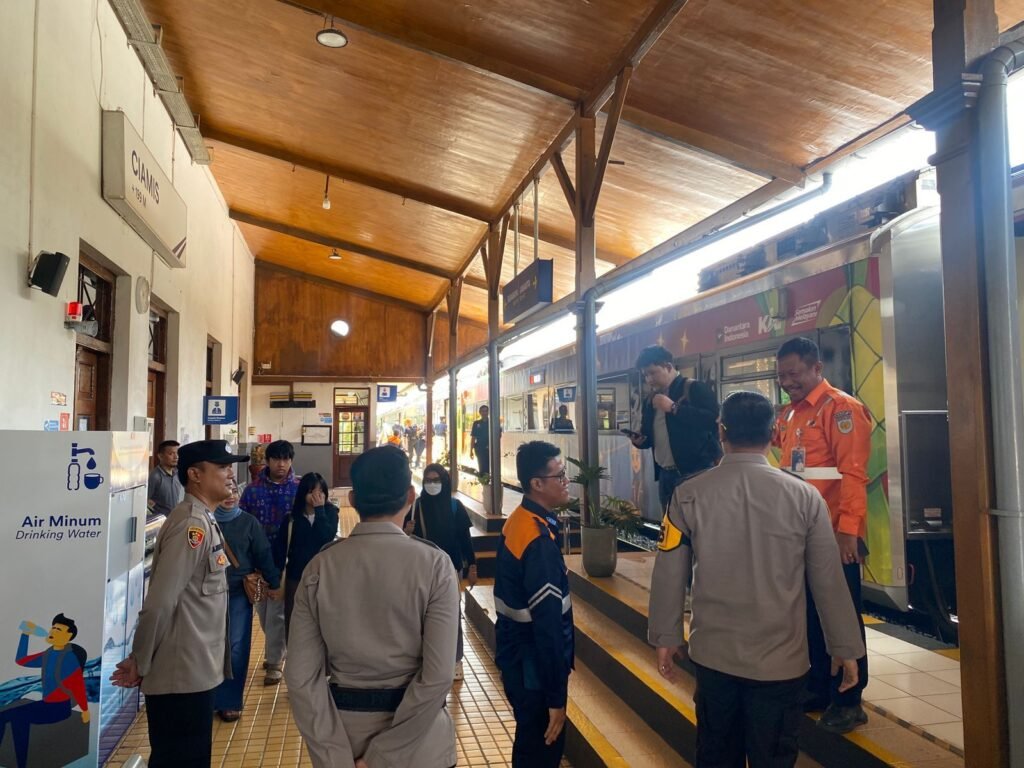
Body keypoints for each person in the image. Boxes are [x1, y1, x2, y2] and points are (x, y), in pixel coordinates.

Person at [649, 392, 866, 767]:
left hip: (715, 656)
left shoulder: (688, 495)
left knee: (717, 753)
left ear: (721, 432)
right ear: (772, 433)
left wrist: (665, 636)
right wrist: (845, 647)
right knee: (774, 757)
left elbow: (669, 569)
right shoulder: (806, 498)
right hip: (781, 662)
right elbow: (828, 579)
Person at [285, 446, 459, 768]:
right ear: (410, 495)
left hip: (344, 740)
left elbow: (300, 677)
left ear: (352, 499)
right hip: (420, 747)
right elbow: (438, 677)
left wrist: (334, 757)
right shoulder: (436, 566)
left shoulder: (320, 568)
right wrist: (382, 756)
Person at [111, 439, 249, 768]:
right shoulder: (192, 525)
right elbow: (160, 603)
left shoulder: (204, 518)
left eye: (230, 467)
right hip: (180, 677)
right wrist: (140, 661)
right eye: (222, 467)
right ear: (194, 474)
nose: (231, 475)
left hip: (194, 673)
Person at [774, 336, 873, 733]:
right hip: (799, 533)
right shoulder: (790, 415)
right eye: (782, 376)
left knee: (842, 616)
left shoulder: (842, 409)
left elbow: (853, 474)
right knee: (810, 615)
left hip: (833, 533)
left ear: (817, 368)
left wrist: (849, 532)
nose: (787, 382)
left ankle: (850, 699)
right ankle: (819, 687)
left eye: (794, 374)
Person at [495, 441, 574, 768]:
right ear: (536, 484)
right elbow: (548, 625)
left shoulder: (521, 520)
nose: (566, 481)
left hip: (519, 659)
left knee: (528, 746)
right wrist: (556, 698)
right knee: (541, 751)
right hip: (535, 670)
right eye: (559, 475)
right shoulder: (538, 541)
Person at [213, 478, 283, 723]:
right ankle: (208, 697)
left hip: (238, 592)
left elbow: (263, 554)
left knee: (236, 646)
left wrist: (274, 584)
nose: (230, 495)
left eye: (234, 491)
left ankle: (230, 701)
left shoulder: (248, 522)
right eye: (225, 491)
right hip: (205, 595)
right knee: (207, 646)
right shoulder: (203, 521)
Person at [629, 345, 722, 511]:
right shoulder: (651, 400)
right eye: (645, 376)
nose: (649, 380)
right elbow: (649, 436)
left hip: (696, 472)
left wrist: (674, 408)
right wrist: (640, 441)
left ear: (668, 367)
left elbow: (713, 421)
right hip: (665, 475)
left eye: (652, 373)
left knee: (697, 526)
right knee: (671, 529)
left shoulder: (695, 388)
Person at [407, 463, 478, 680]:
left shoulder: (455, 507)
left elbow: (465, 540)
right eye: (428, 480)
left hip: (450, 569)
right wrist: (406, 531)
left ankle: (456, 660)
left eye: (436, 480)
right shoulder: (415, 507)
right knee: (422, 614)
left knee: (452, 615)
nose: (432, 484)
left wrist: (472, 566)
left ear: (445, 482)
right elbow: (406, 539)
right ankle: (426, 657)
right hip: (422, 570)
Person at [239, 439, 300, 685]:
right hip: (257, 562)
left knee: (276, 614)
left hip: (286, 561)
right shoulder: (252, 490)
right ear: (268, 461)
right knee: (262, 612)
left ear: (291, 461)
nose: (281, 464)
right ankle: (277, 648)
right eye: (276, 459)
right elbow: (242, 523)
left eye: (286, 459)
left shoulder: (299, 488)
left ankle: (275, 662)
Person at [0, 614, 89, 768]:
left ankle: (21, 764)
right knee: (3, 716)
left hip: (60, 708)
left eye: (59, 629)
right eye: (53, 627)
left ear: (68, 636)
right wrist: (25, 635)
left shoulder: (69, 658)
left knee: (19, 719)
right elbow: (21, 660)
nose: (53, 631)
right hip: (46, 704)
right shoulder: (48, 654)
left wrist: (85, 709)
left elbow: (78, 686)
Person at [273, 472, 340, 636]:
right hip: (296, 577)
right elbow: (280, 550)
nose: (317, 496)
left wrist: (320, 510)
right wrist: (274, 579)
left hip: (324, 577)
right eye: (312, 492)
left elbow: (325, 536)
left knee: (324, 622)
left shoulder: (330, 513)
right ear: (303, 493)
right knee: (295, 621)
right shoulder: (291, 519)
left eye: (321, 492)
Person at [148, 440, 184, 516]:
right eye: (171, 454)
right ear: (160, 456)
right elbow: (145, 501)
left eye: (177, 453)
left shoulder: (178, 473)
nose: (176, 457)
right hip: (162, 522)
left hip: (176, 519)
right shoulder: (155, 477)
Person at [470, 405, 493, 475]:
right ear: (480, 412)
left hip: (490, 448)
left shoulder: (492, 422)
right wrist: (471, 450)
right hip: (480, 448)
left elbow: (498, 435)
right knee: (482, 465)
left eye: (486, 411)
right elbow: (473, 437)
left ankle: (488, 480)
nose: (484, 413)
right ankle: (484, 480)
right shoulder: (476, 423)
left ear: (488, 412)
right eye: (483, 411)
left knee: (489, 466)